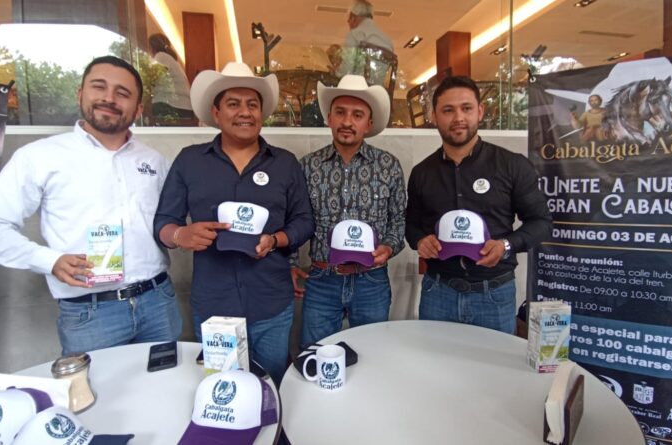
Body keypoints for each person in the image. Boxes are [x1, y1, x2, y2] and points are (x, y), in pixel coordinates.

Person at [0, 56, 182, 355]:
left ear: (138, 109)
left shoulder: (155, 162)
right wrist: (48, 260)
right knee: (96, 387)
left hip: (158, 302)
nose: (109, 98)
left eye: (122, 93)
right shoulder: (40, 157)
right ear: (80, 94)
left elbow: (171, 221)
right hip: (90, 313)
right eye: (99, 87)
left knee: (164, 381)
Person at [154, 62, 313, 384]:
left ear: (261, 113)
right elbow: (164, 223)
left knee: (272, 385)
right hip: (215, 306)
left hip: (271, 303)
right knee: (222, 389)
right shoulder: (190, 160)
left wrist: (276, 240)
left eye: (252, 104)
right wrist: (181, 234)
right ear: (216, 113)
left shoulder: (284, 163)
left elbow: (304, 220)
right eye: (233, 104)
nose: (245, 112)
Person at [405, 75, 551, 334]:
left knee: (493, 361)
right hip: (438, 292)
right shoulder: (422, 172)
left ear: (480, 111)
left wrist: (506, 245)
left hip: (494, 295)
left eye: (466, 108)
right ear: (434, 116)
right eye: (448, 110)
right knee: (435, 358)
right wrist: (420, 241)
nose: (458, 117)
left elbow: (541, 223)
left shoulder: (512, 165)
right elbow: (411, 224)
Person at [292, 74, 405, 346]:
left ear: (369, 123)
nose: (347, 122)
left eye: (357, 115)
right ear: (329, 118)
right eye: (340, 113)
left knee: (372, 354)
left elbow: (399, 219)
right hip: (321, 279)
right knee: (316, 355)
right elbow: (294, 218)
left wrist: (389, 247)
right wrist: (291, 262)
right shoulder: (307, 166)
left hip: (371, 280)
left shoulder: (388, 165)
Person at [335, 0, 394, 84]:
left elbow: (347, 70)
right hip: (378, 89)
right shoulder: (388, 41)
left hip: (357, 87)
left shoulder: (354, 34)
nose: (348, 22)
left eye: (349, 18)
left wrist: (336, 72)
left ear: (353, 17)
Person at [149, 33, 195, 125]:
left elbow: (153, 78)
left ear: (152, 47)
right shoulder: (172, 60)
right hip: (185, 106)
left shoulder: (161, 56)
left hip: (170, 105)